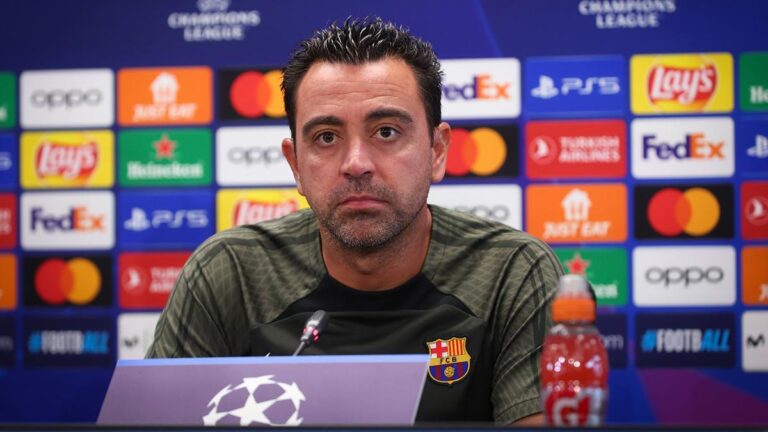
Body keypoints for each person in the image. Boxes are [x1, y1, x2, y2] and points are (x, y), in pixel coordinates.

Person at [147, 17, 562, 425]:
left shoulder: (512, 271)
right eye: (326, 137)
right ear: (296, 164)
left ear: (437, 151)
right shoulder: (230, 271)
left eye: (386, 132)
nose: (356, 164)